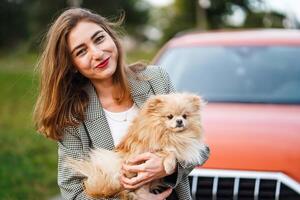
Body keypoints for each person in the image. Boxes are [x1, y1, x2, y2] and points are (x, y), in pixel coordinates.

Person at [34, 7, 209, 200]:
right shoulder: (73, 114)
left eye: (99, 39)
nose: (97, 53)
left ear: (112, 38)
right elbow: (72, 193)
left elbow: (201, 149)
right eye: (81, 51)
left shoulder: (156, 80)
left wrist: (168, 167)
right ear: (72, 65)